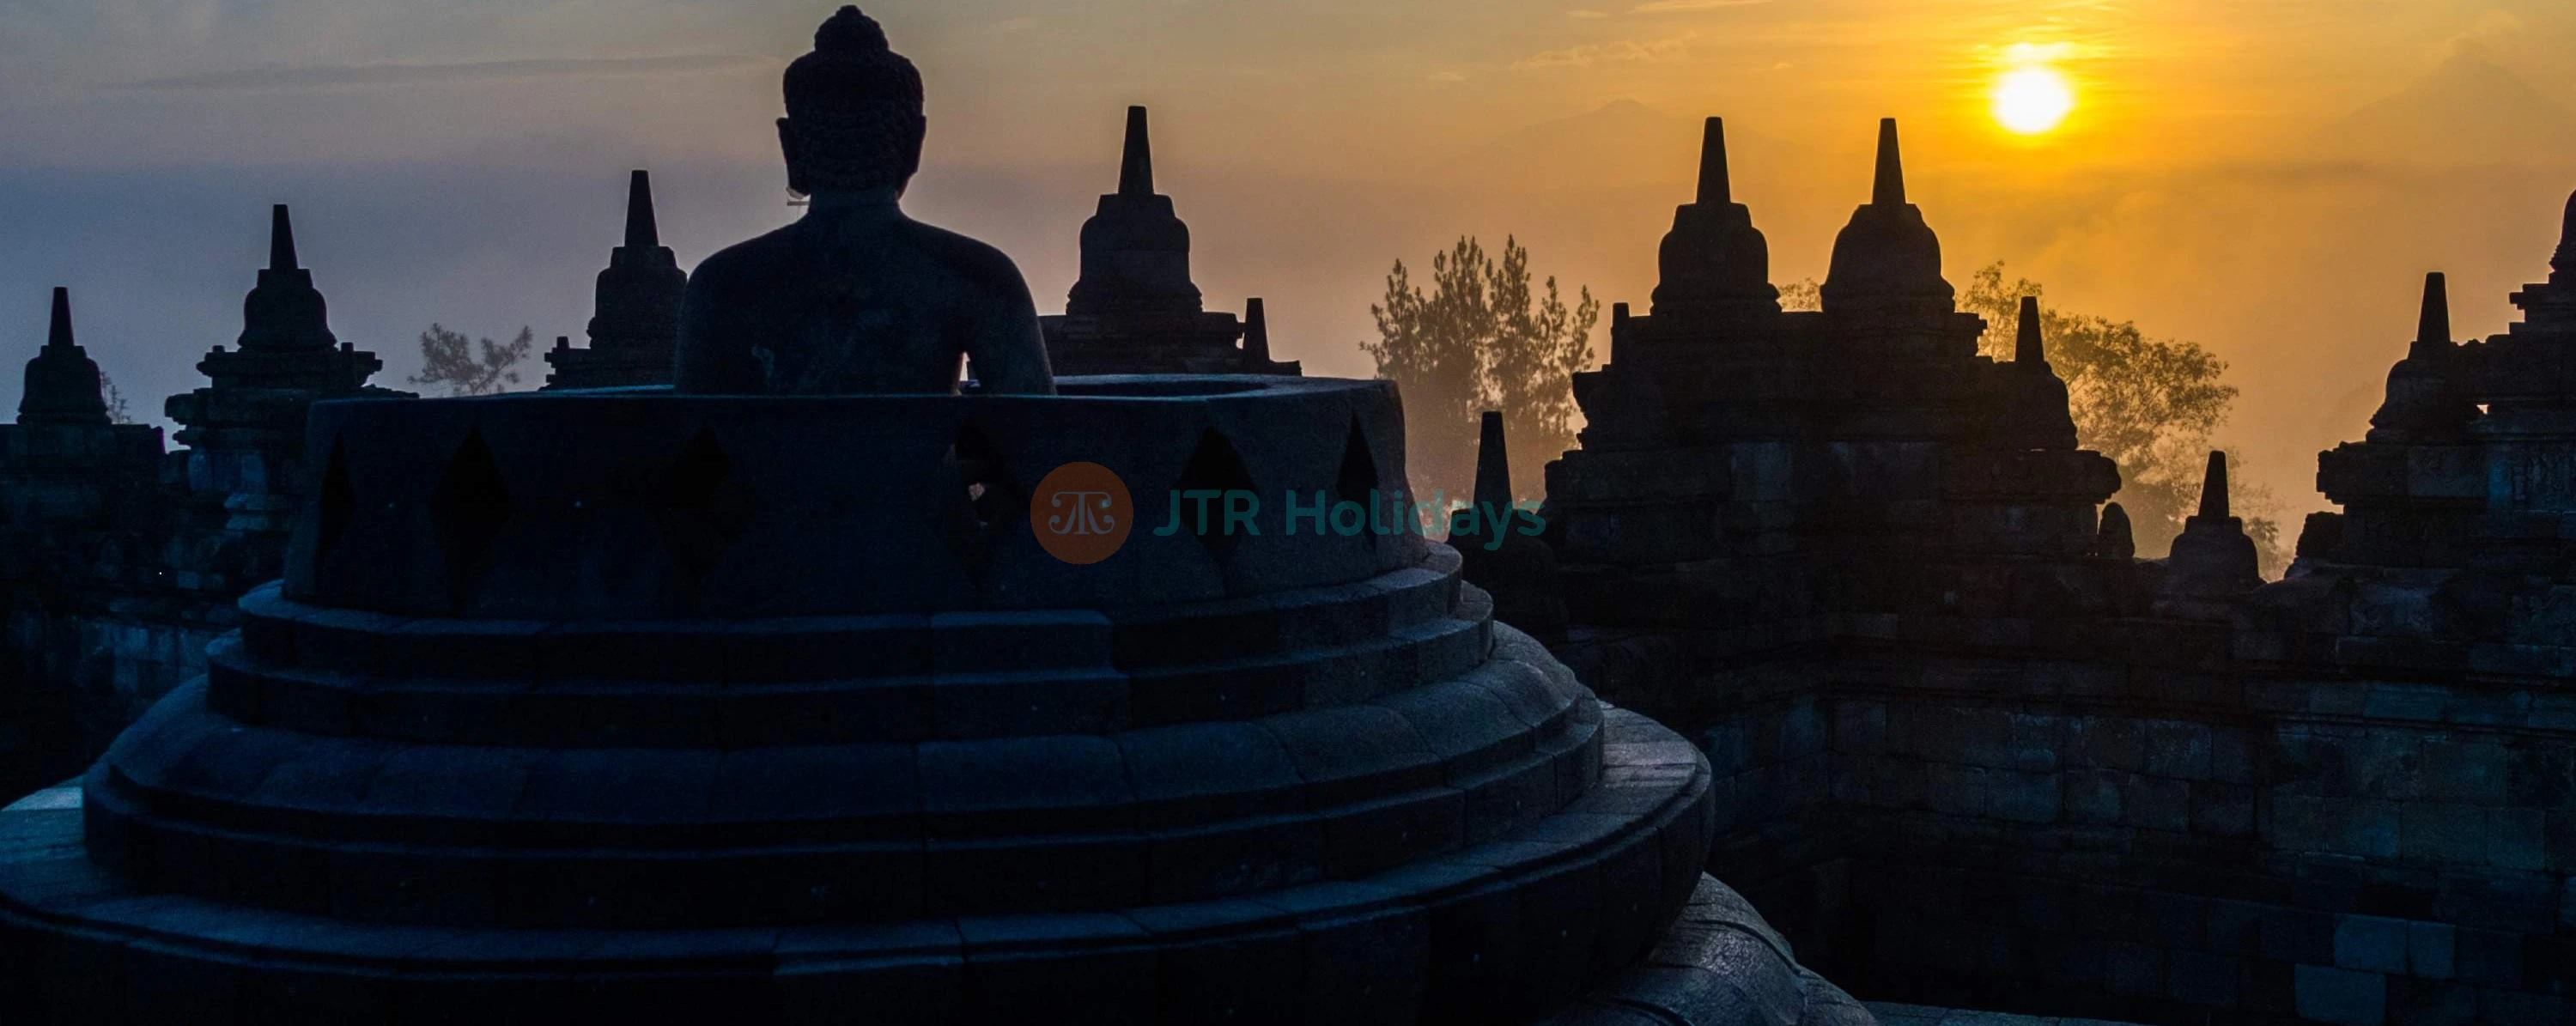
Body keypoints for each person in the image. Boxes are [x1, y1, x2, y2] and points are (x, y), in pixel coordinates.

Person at [673, 6, 1055, 395]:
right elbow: (1037, 425)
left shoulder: (722, 283)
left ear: (790, 146)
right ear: (914, 143)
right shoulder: (978, 275)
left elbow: (691, 429)